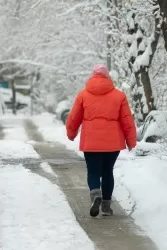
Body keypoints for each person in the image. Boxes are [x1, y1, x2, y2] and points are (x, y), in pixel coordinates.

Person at [66, 64, 137, 217]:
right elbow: (127, 120)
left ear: (92, 76)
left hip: (91, 143)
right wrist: (131, 141)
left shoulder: (83, 95)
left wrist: (71, 133)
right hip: (112, 144)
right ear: (107, 77)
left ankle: (95, 194)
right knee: (107, 172)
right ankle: (106, 206)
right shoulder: (119, 96)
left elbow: (74, 117)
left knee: (93, 171)